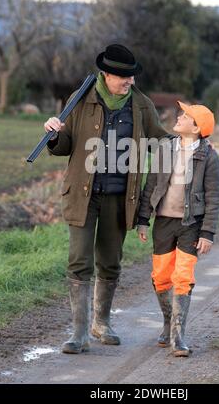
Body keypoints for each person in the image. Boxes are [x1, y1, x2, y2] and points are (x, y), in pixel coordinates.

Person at [44, 44, 169, 353]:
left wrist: (190, 144)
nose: (128, 82)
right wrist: (54, 133)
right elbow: (63, 146)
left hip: (119, 197)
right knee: (79, 261)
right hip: (82, 196)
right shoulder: (80, 99)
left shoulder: (141, 105)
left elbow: (161, 141)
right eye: (122, 77)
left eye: (131, 77)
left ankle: (102, 323)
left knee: (110, 262)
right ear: (106, 75)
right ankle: (79, 333)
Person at [137, 102, 219, 357]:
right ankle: (167, 322)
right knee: (161, 276)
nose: (179, 117)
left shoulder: (208, 156)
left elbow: (214, 196)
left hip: (190, 225)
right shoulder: (165, 148)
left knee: (183, 276)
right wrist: (143, 219)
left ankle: (178, 336)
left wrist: (207, 233)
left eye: (186, 116)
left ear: (196, 128)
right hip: (163, 222)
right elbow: (150, 184)